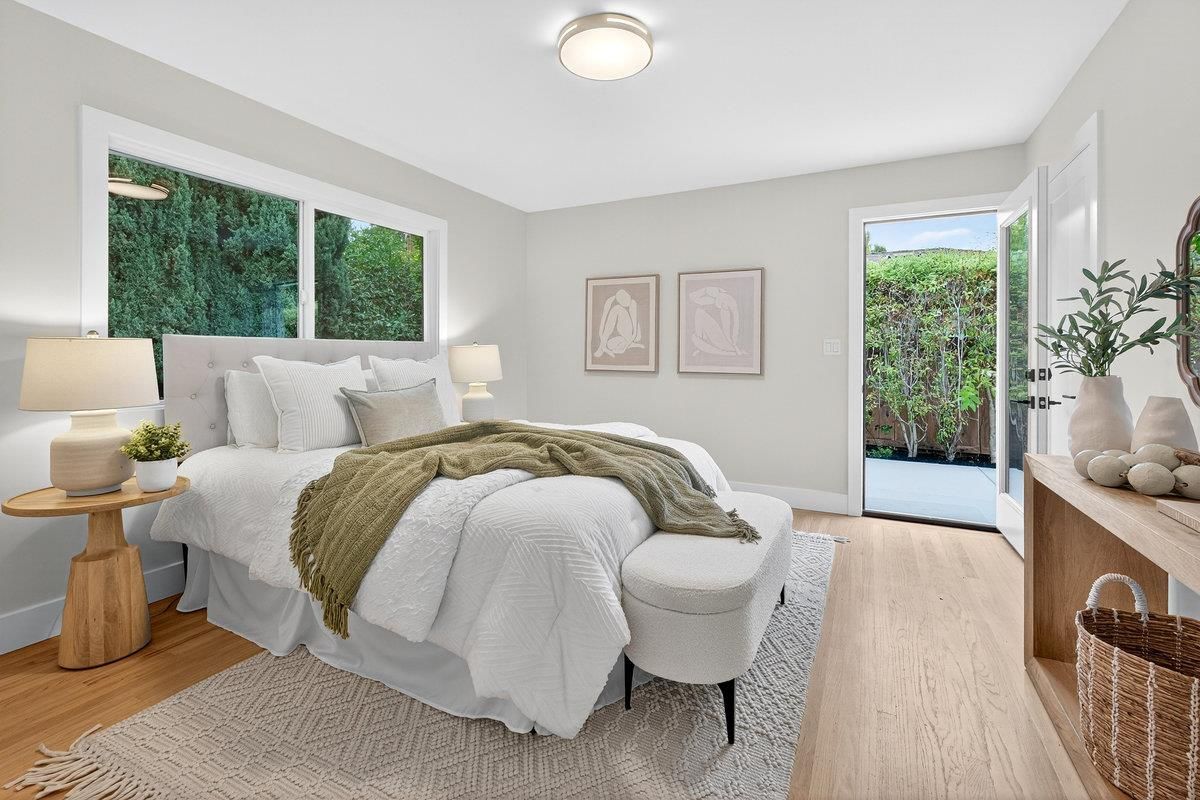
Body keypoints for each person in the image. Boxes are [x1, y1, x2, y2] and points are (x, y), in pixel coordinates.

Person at [690, 286, 743, 356]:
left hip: (722, 340)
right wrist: (704, 291)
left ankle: (728, 350)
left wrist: (734, 344)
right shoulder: (714, 297)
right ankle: (702, 344)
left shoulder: (727, 303)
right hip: (713, 336)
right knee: (699, 313)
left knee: (700, 314)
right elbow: (692, 297)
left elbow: (733, 325)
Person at [593, 288, 644, 358]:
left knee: (617, 308)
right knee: (609, 344)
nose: (624, 303)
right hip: (624, 335)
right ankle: (603, 346)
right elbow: (603, 320)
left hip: (634, 336)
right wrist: (602, 339)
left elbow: (634, 333)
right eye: (622, 301)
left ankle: (603, 346)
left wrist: (625, 347)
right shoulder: (611, 301)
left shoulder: (632, 303)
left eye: (626, 299)